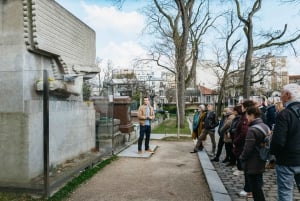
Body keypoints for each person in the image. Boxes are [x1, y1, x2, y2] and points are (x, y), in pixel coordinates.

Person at [270, 83, 300, 201]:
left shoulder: (285, 114)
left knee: (285, 193)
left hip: (287, 161)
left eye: (281, 95)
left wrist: (273, 155)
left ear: (288, 95)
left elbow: (278, 141)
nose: (280, 98)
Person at [240, 106, 270, 201]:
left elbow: (248, 148)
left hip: (252, 162)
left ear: (252, 115)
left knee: (256, 189)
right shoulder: (265, 126)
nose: (247, 119)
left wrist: (242, 158)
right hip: (262, 158)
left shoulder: (252, 129)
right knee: (258, 186)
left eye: (247, 116)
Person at [233, 100, 256, 197]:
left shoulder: (245, 118)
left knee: (247, 169)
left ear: (246, 108)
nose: (240, 107)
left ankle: (249, 190)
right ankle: (249, 188)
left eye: (242, 106)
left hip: (243, 146)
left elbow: (244, 133)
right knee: (246, 169)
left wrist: (235, 141)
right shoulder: (244, 117)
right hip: (242, 145)